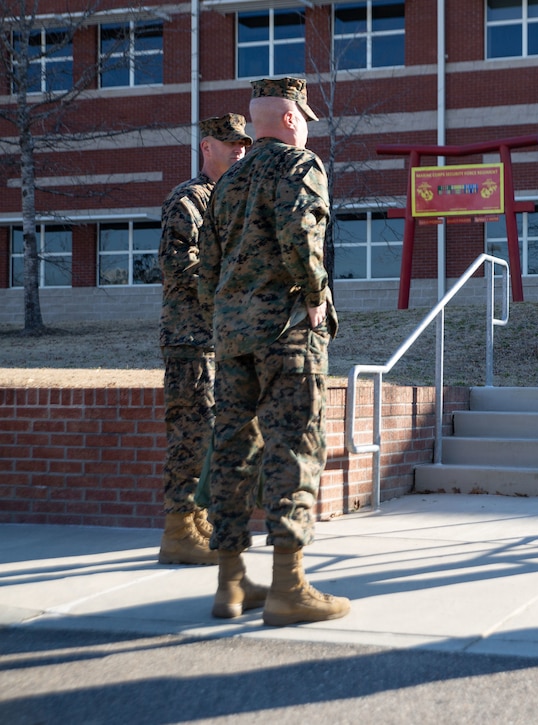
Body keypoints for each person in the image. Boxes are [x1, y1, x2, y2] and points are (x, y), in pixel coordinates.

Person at [199, 77, 349, 626]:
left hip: (231, 334)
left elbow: (207, 266)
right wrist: (314, 296)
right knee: (295, 446)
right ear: (290, 118)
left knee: (233, 453)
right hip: (286, 331)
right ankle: (289, 587)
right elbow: (301, 233)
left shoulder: (228, 180)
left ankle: (230, 583)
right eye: (304, 117)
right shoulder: (299, 165)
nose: (306, 126)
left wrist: (223, 311)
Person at [157, 113, 251, 566]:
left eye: (243, 144)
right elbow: (178, 265)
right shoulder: (188, 200)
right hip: (191, 338)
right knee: (190, 434)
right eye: (230, 143)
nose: (239, 150)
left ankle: (196, 519)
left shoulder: (231, 200)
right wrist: (229, 286)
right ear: (206, 147)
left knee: (212, 434)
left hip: (221, 338)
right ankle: (177, 528)